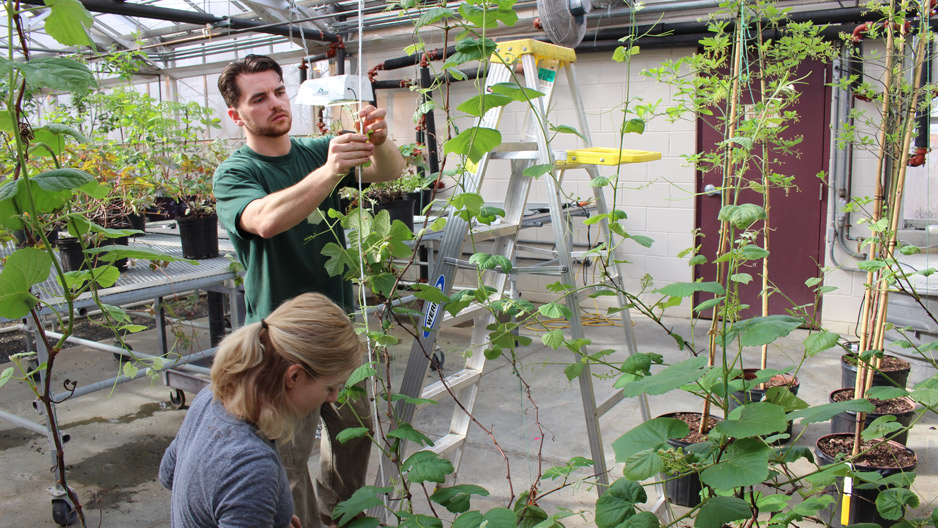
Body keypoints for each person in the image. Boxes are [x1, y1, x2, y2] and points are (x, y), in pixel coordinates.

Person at [212, 54, 404, 528]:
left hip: (339, 329)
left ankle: (336, 513)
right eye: (259, 98)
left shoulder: (316, 149)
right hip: (281, 345)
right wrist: (331, 169)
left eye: (279, 91)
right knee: (287, 458)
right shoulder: (234, 173)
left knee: (354, 433)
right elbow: (265, 219)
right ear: (237, 114)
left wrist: (380, 141)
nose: (276, 103)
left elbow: (390, 172)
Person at [159, 293, 363, 528]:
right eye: (329, 387)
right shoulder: (251, 468)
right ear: (294, 376)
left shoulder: (213, 397)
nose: (333, 397)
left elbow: (169, 474)